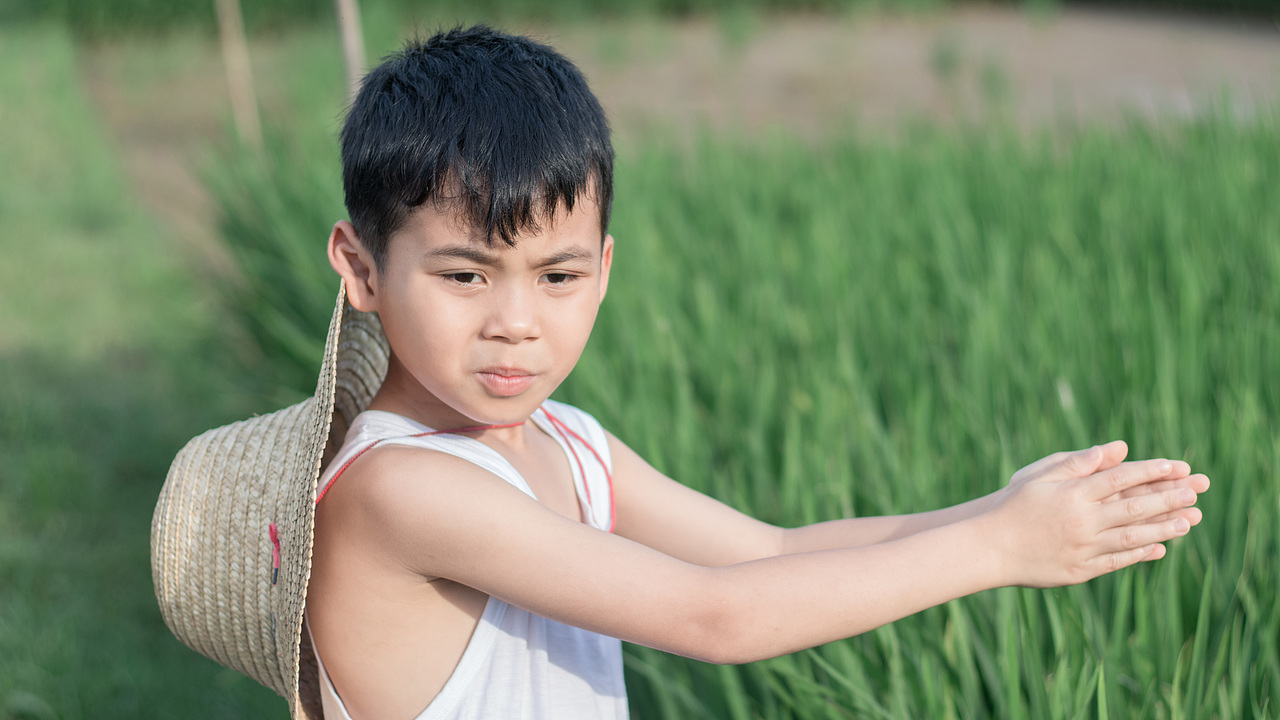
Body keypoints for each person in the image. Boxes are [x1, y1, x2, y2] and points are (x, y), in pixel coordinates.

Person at [151, 25, 1209, 720]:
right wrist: (993, 549)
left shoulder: (567, 442)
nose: (516, 324)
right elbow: (718, 618)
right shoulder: (400, 488)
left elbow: (766, 552)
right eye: (465, 275)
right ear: (361, 270)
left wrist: (1001, 506)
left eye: (557, 274)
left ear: (603, 270)